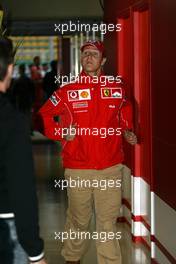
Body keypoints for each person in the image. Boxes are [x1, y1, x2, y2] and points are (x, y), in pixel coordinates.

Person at [37, 40, 137, 264]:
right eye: (85, 54)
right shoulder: (67, 91)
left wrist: (128, 130)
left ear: (103, 61)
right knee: (79, 221)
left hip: (110, 167)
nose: (88, 57)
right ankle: (72, 259)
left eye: (93, 54)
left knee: (106, 223)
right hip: (78, 168)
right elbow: (43, 115)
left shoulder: (117, 89)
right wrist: (62, 132)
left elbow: (125, 110)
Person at [0, 37, 47, 264]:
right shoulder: (11, 121)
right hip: (5, 227)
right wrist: (35, 252)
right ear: (9, 69)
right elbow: (22, 191)